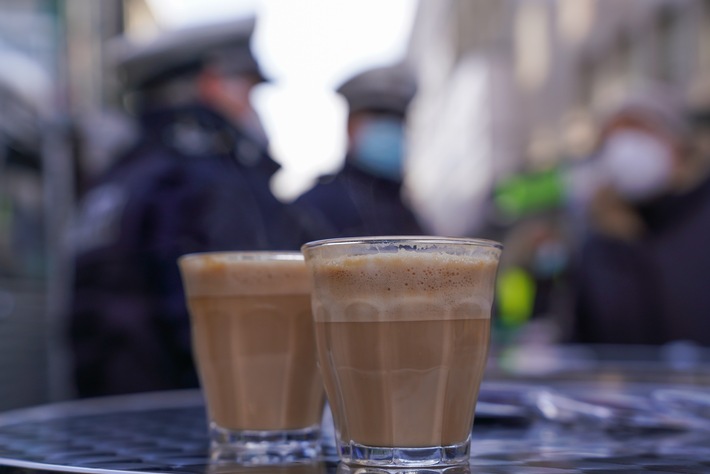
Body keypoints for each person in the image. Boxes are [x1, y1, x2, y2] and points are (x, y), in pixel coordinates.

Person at [68, 17, 299, 397]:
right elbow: (241, 329)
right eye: (247, 90)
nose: (251, 106)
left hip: (115, 421)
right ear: (213, 83)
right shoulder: (207, 178)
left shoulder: (120, 174)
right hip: (204, 424)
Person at [571, 88, 710, 345]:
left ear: (676, 141)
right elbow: (591, 340)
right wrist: (620, 244)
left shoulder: (701, 215)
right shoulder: (601, 237)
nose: (625, 147)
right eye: (612, 137)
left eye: (637, 129)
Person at [290, 63, 424, 242]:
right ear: (350, 126)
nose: (391, 129)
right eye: (378, 116)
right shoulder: (315, 207)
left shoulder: (407, 214)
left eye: (398, 120)